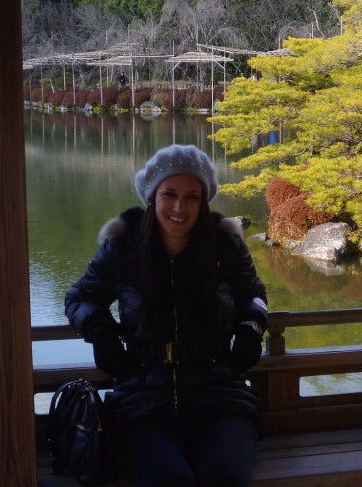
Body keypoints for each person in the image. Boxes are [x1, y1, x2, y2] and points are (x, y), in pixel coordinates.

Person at [65, 144, 268, 487]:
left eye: (192, 197)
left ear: (204, 201)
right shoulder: (123, 247)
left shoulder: (225, 246)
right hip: (142, 396)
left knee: (225, 478)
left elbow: (255, 297)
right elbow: (80, 297)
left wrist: (251, 328)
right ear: (152, 194)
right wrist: (100, 330)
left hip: (220, 393)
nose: (179, 207)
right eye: (169, 194)